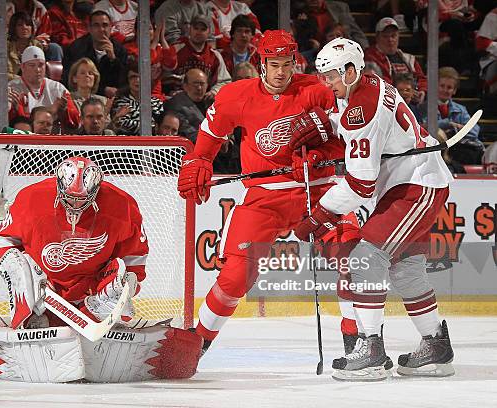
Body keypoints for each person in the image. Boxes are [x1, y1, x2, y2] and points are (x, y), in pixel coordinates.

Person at [177, 30, 360, 356]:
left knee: (352, 256)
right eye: (273, 64)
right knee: (236, 274)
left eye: (286, 64)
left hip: (318, 191)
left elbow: (349, 132)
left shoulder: (319, 91)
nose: (280, 72)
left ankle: (359, 342)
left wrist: (325, 150)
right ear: (261, 62)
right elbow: (207, 139)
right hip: (265, 195)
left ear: (295, 63)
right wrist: (198, 161)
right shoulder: (237, 96)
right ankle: (196, 344)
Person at [0, 156, 203, 383]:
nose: (75, 205)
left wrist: (131, 282)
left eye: (82, 199)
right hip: (44, 286)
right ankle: (34, 321)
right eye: (70, 198)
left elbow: (135, 255)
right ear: (58, 186)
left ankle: (99, 315)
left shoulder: (121, 204)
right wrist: (11, 262)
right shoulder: (32, 198)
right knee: (17, 264)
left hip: (93, 286)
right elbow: (4, 239)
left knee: (122, 273)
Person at [296, 37, 454, 381]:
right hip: (414, 180)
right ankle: (436, 348)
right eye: (323, 77)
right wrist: (328, 125)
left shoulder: (362, 109)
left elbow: (359, 185)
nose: (327, 84)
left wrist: (317, 215)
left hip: (415, 186)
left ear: (351, 70)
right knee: (406, 269)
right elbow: (362, 137)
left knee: (364, 258)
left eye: (332, 76)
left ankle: (371, 351)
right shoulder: (368, 85)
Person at [8, 46, 80, 132]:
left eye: (41, 65)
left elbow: (76, 122)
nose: (37, 70)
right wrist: (51, 111)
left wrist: (64, 111)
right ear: (22, 67)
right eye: (32, 65)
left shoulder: (58, 89)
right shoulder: (12, 88)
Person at [421, 66, 483, 165]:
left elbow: (474, 131)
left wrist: (454, 129)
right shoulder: (423, 108)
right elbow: (425, 128)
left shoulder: (461, 109)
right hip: (434, 153)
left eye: (449, 87)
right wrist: (449, 124)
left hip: (458, 153)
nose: (445, 90)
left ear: (454, 90)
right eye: (442, 86)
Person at [63, 10, 129, 98]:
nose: (101, 29)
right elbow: (69, 78)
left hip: (113, 98)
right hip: (82, 96)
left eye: (105, 25)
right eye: (96, 25)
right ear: (89, 29)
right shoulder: (76, 48)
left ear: (111, 28)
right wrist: (103, 90)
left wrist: (113, 59)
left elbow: (124, 81)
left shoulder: (120, 50)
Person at [364, 17, 428, 105]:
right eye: (385, 36)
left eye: (393, 36)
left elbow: (421, 78)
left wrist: (422, 91)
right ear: (377, 38)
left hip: (411, 102)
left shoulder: (409, 59)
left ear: (398, 37)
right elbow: (378, 83)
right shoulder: (370, 57)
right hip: (385, 103)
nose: (390, 40)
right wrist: (401, 92)